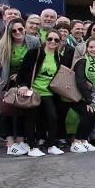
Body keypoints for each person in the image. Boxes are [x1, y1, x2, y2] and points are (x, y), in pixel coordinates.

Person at [0, 19, 41, 154]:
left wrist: (22, 76)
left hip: (25, 82)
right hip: (6, 82)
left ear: (25, 29)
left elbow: (37, 63)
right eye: (14, 31)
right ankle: (10, 143)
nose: (17, 32)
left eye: (20, 29)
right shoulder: (3, 44)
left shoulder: (34, 41)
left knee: (22, 112)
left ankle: (20, 140)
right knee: (6, 112)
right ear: (9, 32)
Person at [15, 29, 69, 157]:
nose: (53, 42)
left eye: (56, 40)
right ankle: (32, 147)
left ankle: (51, 145)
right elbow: (22, 72)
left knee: (53, 118)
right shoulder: (35, 53)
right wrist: (23, 85)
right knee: (31, 119)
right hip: (33, 92)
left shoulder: (58, 57)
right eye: (50, 39)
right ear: (45, 39)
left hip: (49, 93)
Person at [71, 37, 95, 153]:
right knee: (89, 113)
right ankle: (76, 141)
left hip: (91, 96)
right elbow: (80, 82)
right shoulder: (82, 61)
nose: (94, 49)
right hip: (77, 96)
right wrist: (88, 101)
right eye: (91, 47)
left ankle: (84, 140)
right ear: (87, 49)